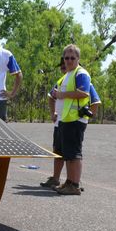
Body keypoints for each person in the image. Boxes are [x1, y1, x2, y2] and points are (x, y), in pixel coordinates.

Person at [41, 56, 100, 190]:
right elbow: (51, 97)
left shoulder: (83, 79)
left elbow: (95, 101)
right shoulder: (62, 80)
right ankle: (59, 179)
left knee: (72, 153)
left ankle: (73, 183)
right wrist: (53, 113)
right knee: (59, 151)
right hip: (61, 122)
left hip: (73, 121)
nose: (64, 65)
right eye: (62, 63)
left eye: (67, 61)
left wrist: (86, 116)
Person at [49, 44, 92, 195]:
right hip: (65, 119)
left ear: (78, 59)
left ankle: (74, 184)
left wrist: (62, 94)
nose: (68, 60)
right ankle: (69, 182)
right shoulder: (67, 75)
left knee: (74, 154)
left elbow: (84, 93)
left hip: (75, 119)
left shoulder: (81, 73)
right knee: (68, 154)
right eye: (66, 58)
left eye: (72, 58)